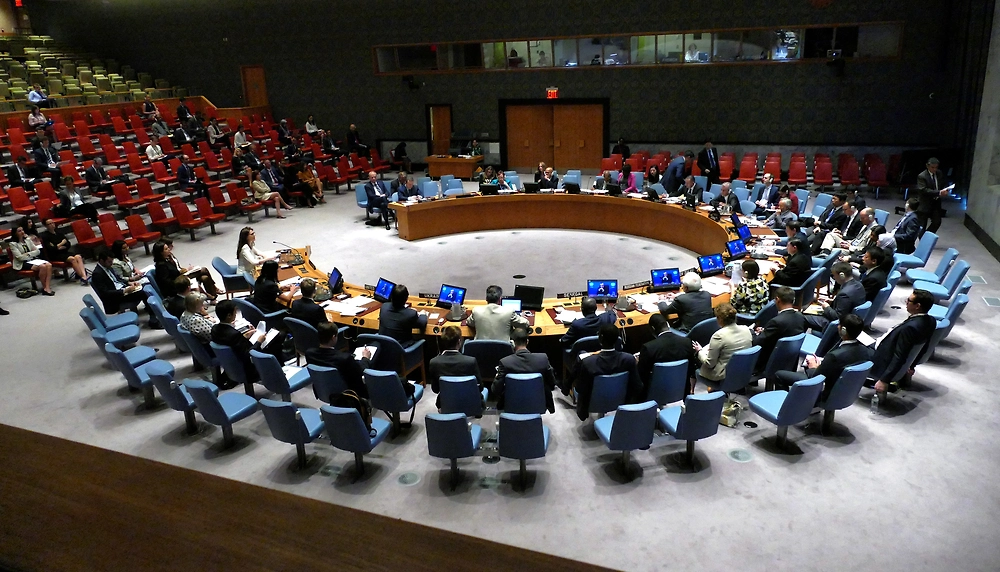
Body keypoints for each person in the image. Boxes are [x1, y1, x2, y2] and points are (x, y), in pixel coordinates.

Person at [775, 314, 874, 401]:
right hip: (845, 392)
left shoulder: (834, 356)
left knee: (779, 375)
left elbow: (815, 378)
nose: (838, 327)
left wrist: (813, 366)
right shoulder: (865, 350)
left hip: (827, 393)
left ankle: (787, 407)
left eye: (839, 325)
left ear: (843, 330)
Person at [871, 290, 937, 395]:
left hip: (882, 358)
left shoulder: (910, 328)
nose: (906, 302)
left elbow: (899, 356)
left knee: (851, 349)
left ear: (917, 306)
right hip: (888, 348)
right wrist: (912, 365)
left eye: (909, 300)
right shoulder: (931, 321)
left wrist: (884, 380)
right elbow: (924, 347)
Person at [573, 324, 642, 420]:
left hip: (593, 402)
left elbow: (580, 389)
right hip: (620, 399)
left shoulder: (588, 362)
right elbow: (637, 385)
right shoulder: (629, 359)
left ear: (600, 338)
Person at [493, 326, 556, 413]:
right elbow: (552, 383)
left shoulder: (505, 362)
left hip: (513, 404)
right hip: (538, 403)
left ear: (512, 343)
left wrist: (497, 376)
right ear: (527, 341)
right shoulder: (543, 359)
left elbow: (496, 390)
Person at [91, 248, 159, 326]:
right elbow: (105, 293)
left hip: (122, 289)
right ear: (102, 261)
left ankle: (150, 308)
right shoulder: (97, 274)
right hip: (116, 297)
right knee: (143, 292)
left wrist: (130, 283)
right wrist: (124, 291)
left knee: (145, 286)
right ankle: (153, 321)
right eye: (109, 262)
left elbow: (118, 279)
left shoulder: (108, 267)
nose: (111, 263)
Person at [305, 322, 370, 398]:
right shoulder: (344, 358)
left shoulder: (309, 354)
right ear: (333, 337)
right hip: (349, 395)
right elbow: (361, 371)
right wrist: (365, 358)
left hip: (323, 391)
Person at [636, 313, 697, 393]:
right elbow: (691, 370)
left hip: (657, 392)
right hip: (682, 391)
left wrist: (638, 362)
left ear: (653, 328)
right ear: (668, 324)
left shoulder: (648, 348)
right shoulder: (687, 342)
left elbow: (642, 376)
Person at [752, 286, 809, 371]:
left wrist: (752, 332)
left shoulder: (776, 321)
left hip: (770, 362)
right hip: (790, 361)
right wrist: (766, 330)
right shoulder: (801, 317)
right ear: (793, 300)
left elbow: (757, 342)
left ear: (777, 300)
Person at [694, 303, 752, 383]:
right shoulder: (746, 329)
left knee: (697, 359)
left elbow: (709, 364)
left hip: (723, 375)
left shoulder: (718, 335)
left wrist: (699, 351)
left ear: (720, 319)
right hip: (742, 371)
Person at [211, 299, 261, 385]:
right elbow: (247, 354)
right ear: (229, 315)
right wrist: (259, 341)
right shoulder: (234, 334)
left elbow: (231, 342)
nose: (236, 314)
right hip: (246, 369)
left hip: (229, 364)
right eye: (235, 312)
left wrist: (245, 336)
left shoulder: (214, 329)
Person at [428, 325, 480, 405]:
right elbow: (480, 387)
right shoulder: (470, 361)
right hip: (469, 402)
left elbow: (435, 389)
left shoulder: (434, 362)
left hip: (446, 403)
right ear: (459, 342)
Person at [152, 238, 219, 300]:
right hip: (177, 285)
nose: (169, 249)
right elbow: (166, 282)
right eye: (166, 249)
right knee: (204, 270)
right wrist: (182, 280)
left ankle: (212, 296)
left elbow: (176, 270)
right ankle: (212, 292)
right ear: (161, 252)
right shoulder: (161, 266)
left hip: (180, 277)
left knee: (205, 277)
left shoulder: (167, 259)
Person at [809, 262, 865, 331]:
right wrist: (833, 300)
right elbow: (849, 303)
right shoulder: (859, 285)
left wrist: (826, 307)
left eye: (834, 275)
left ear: (842, 275)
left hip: (839, 326)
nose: (834, 278)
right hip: (852, 322)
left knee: (802, 317)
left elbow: (837, 318)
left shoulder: (844, 294)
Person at [39, 219, 88, 285]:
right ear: (46, 226)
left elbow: (68, 244)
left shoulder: (59, 232)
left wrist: (58, 246)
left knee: (78, 256)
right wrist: (62, 243)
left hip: (64, 252)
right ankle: (82, 277)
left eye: (52, 223)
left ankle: (84, 276)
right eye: (49, 224)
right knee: (72, 259)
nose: (52, 225)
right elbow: (51, 248)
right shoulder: (45, 236)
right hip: (55, 255)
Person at [10, 226, 55, 296]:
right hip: (22, 263)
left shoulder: (28, 240)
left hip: (32, 260)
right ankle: (45, 288)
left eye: (22, 230)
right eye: (19, 231)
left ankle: (47, 286)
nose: (22, 232)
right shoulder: (13, 244)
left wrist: (28, 254)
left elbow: (37, 251)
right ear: (15, 233)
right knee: (42, 266)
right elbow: (19, 257)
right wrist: (31, 253)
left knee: (49, 265)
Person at [916, 157, 947, 235]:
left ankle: (927, 237)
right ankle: (922, 239)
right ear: (927, 166)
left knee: (937, 222)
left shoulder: (939, 173)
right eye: (932, 167)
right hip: (925, 203)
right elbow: (923, 190)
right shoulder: (922, 176)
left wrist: (945, 190)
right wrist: (939, 192)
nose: (934, 169)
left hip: (936, 202)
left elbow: (941, 184)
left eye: (936, 167)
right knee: (922, 226)